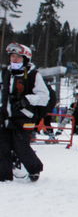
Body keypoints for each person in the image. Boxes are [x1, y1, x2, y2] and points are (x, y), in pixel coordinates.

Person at [0, 43, 49, 182]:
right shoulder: (5, 73)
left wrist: (27, 100)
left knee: (20, 145)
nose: (14, 60)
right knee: (2, 145)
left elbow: (44, 96)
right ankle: (3, 175)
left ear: (25, 59)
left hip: (24, 116)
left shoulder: (33, 75)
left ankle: (34, 169)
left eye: (18, 57)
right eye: (12, 56)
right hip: (5, 115)